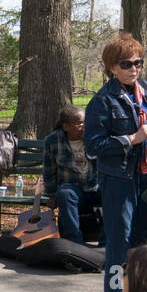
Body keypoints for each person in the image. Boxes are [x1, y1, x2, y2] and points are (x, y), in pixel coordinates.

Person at [84, 32, 147, 292]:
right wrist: (131, 139)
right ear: (111, 67)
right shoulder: (103, 101)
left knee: (145, 242)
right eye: (126, 64)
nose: (134, 68)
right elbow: (93, 148)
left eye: (138, 62)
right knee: (119, 245)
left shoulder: (146, 90)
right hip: (119, 179)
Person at [40, 104, 99, 243]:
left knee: (114, 192)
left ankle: (106, 242)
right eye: (79, 123)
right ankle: (74, 242)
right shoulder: (54, 140)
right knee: (64, 193)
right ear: (65, 126)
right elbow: (49, 170)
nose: (84, 126)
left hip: (95, 187)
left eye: (85, 122)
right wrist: (51, 194)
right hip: (74, 189)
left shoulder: (93, 137)